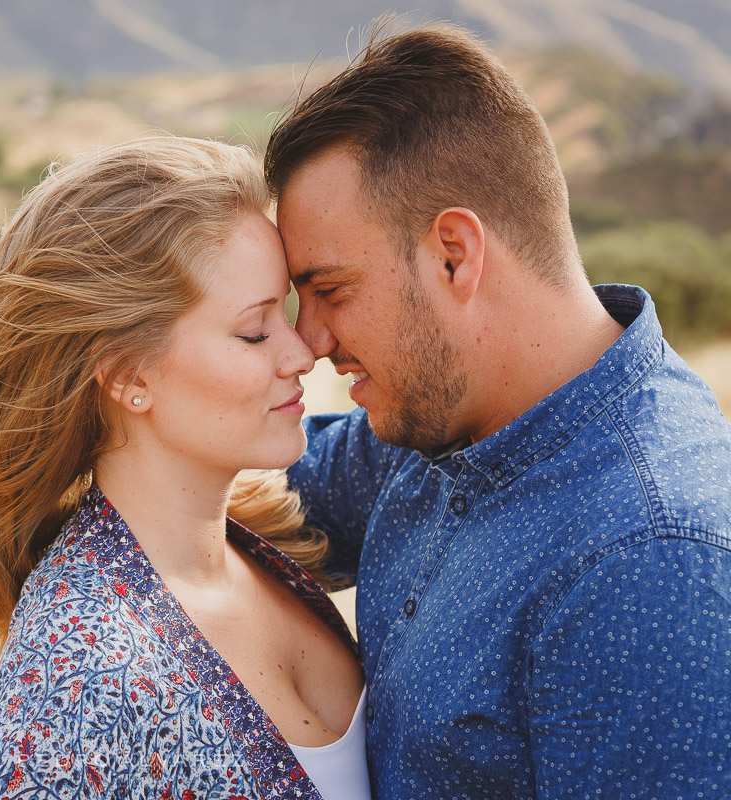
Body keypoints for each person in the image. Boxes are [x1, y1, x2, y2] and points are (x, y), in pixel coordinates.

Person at [264, 22, 731, 800]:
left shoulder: (647, 568)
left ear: (455, 253)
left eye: (331, 290)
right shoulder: (436, 420)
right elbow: (247, 496)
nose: (309, 340)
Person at [0, 136, 370, 799]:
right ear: (129, 375)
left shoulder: (271, 543)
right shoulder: (70, 682)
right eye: (254, 330)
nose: (302, 352)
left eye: (290, 314)